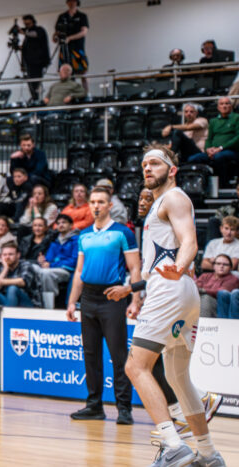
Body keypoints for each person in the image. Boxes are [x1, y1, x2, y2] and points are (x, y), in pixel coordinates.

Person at [113, 146, 227, 466]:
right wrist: (131, 288)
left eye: (154, 163)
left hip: (171, 288)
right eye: (144, 164)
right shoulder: (157, 205)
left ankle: (172, 444)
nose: (147, 168)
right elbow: (155, 265)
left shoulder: (174, 198)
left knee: (135, 366)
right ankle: (207, 453)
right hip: (179, 291)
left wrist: (179, 265)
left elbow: (190, 240)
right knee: (178, 377)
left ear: (172, 169)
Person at [64, 186, 140, 425]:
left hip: (113, 297)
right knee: (91, 355)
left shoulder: (123, 233)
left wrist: (136, 299)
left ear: (110, 206)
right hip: (88, 298)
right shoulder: (84, 235)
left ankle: (124, 408)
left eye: (101, 202)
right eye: (93, 201)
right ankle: (94, 405)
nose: (96, 205)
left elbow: (135, 268)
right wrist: (71, 302)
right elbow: (79, 271)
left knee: (118, 355)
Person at [187, 95, 239, 180]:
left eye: (227, 103)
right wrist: (208, 149)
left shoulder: (236, 118)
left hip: (231, 151)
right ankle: (202, 183)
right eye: (221, 104)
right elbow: (209, 138)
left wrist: (221, 148)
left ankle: (223, 183)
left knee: (219, 157)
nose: (224, 106)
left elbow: (237, 138)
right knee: (192, 158)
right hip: (213, 151)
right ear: (218, 107)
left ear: (231, 106)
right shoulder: (213, 121)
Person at [38, 214, 79, 309]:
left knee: (46, 273)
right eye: (58, 223)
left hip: (68, 271)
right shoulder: (54, 241)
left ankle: (49, 307)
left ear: (71, 225)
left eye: (64, 222)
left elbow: (74, 261)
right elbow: (48, 259)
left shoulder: (76, 240)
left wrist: (51, 265)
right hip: (54, 270)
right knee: (36, 270)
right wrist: (43, 262)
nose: (60, 225)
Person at [52, 0, 89, 92]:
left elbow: (84, 32)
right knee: (65, 72)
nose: (72, 3)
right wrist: (55, 37)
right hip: (64, 48)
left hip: (77, 48)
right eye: (70, 1)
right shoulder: (62, 16)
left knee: (82, 72)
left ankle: (85, 93)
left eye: (74, 1)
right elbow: (57, 31)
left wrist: (70, 38)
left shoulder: (82, 16)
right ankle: (68, 92)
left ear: (77, 3)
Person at [20, 14, 50, 101]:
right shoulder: (27, 35)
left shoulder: (39, 30)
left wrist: (23, 32)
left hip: (38, 62)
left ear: (32, 21)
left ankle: (36, 98)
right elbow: (25, 49)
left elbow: (34, 34)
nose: (27, 25)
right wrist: (23, 64)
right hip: (28, 62)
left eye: (28, 23)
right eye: (25, 24)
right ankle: (34, 98)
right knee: (30, 81)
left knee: (36, 82)